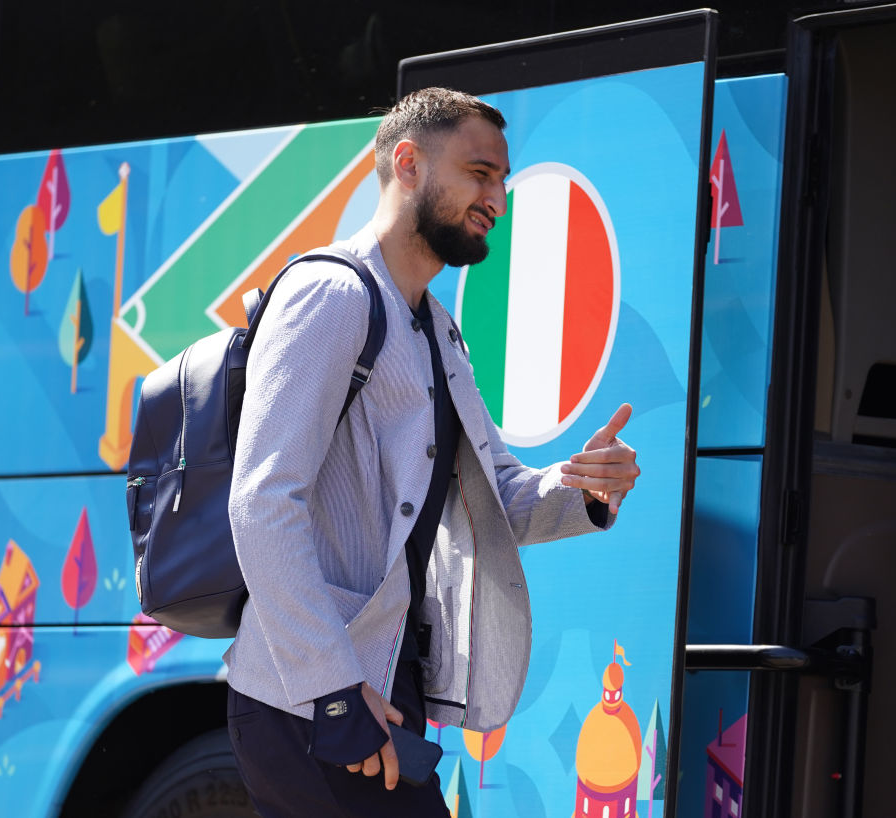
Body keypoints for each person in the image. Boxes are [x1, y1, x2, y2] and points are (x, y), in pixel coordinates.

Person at [224, 87, 640, 818]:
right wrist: (331, 694)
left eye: (502, 180)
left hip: (377, 689)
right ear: (408, 164)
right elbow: (261, 499)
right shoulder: (331, 295)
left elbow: (499, 498)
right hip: (314, 698)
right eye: (480, 173)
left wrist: (584, 489)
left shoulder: (436, 330)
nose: (498, 199)